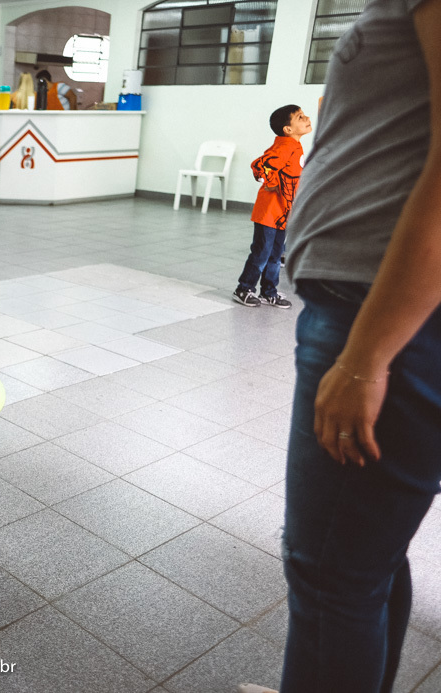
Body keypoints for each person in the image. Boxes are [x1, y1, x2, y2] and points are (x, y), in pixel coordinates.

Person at [236, 1, 441, 692]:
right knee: (364, 563)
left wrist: (367, 355)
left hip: (381, 316)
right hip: (374, 309)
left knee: (328, 572)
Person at [232, 105, 311, 309]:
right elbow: (259, 165)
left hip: (283, 213)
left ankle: (269, 292)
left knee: (276, 256)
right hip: (269, 213)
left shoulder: (294, 145)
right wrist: (271, 181)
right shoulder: (285, 146)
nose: (307, 118)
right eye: (300, 117)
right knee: (262, 253)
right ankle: (244, 289)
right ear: (288, 129)